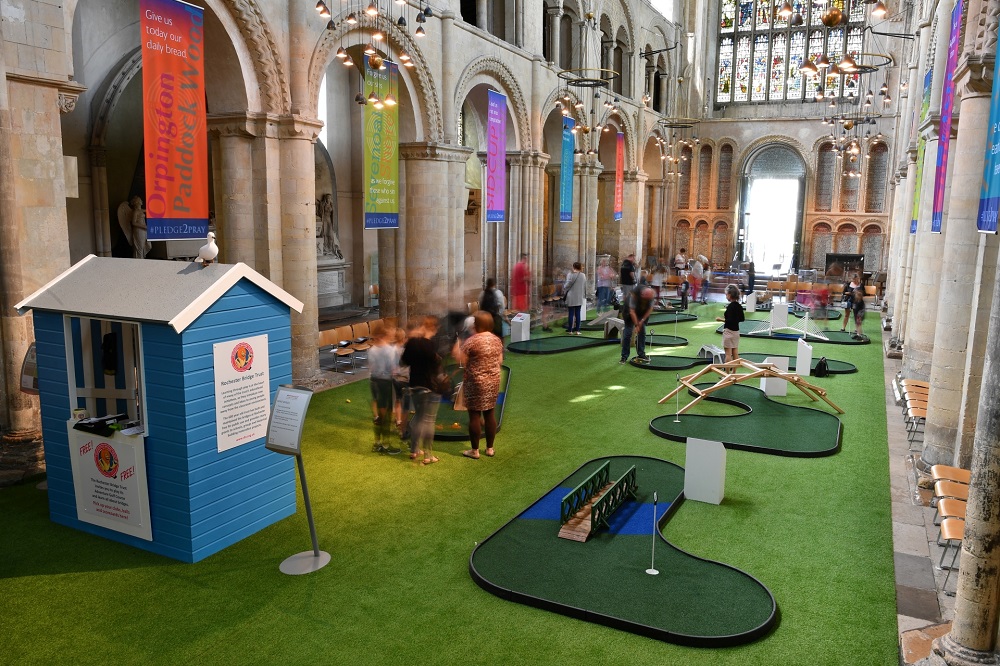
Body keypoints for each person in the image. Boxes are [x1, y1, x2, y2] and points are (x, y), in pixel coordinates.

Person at [454, 311, 505, 460]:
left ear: (476, 324)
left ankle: (474, 451)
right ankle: (490, 449)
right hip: (493, 380)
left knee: (474, 415)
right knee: (490, 414)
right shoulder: (496, 340)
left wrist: (456, 346)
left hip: (475, 381)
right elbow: (500, 361)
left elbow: (461, 360)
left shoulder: (472, 341)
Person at [400, 316, 443, 465]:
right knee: (429, 420)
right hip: (430, 387)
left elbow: (403, 362)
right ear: (435, 329)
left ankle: (414, 450)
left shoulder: (412, 343)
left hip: (415, 385)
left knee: (418, 418)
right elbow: (436, 364)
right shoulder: (431, 345)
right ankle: (428, 455)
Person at [368, 326, 401, 455]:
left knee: (378, 417)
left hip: (374, 381)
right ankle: (386, 445)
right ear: (384, 336)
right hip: (385, 383)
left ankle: (377, 443)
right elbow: (394, 369)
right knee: (386, 415)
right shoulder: (389, 350)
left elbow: (372, 367)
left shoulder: (371, 350)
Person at [620, 284, 656, 364]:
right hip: (628, 313)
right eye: (645, 298)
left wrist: (642, 321)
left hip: (641, 313)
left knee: (642, 333)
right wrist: (636, 325)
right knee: (627, 334)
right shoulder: (634, 295)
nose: (646, 300)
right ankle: (624, 356)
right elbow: (632, 311)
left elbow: (650, 309)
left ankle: (641, 354)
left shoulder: (650, 296)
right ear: (642, 295)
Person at [716, 284, 745, 363]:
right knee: (735, 353)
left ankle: (727, 370)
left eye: (726, 295)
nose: (726, 296)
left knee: (728, 354)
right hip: (736, 332)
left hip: (728, 332)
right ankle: (734, 370)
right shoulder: (739, 306)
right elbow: (742, 319)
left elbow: (730, 320)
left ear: (729, 295)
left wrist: (720, 319)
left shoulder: (730, 307)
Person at [563, 262, 587, 335]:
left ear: (573, 267)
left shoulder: (570, 275)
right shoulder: (583, 275)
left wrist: (564, 287)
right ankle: (577, 330)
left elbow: (566, 286)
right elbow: (584, 286)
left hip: (571, 296)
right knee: (578, 313)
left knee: (571, 313)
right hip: (579, 296)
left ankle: (570, 330)